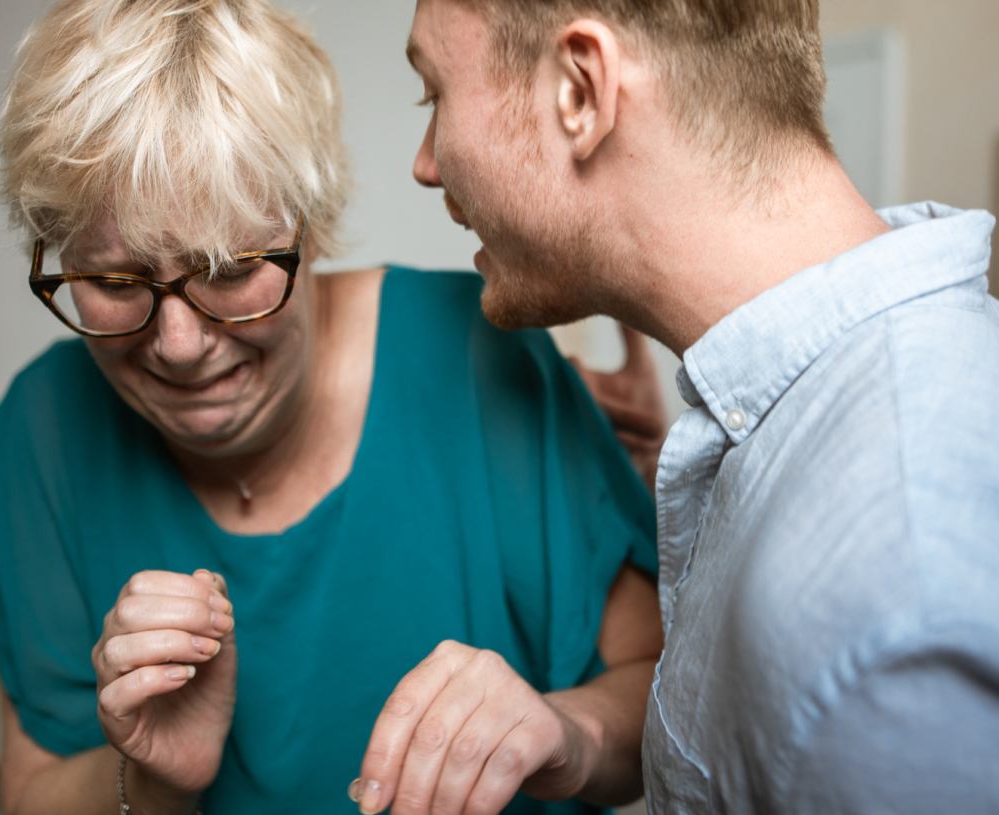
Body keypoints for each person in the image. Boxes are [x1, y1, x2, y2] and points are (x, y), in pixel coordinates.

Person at [0, 1, 669, 813]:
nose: (180, 344)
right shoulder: (46, 426)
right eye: (115, 282)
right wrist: (152, 782)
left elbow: (657, 693)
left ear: (312, 222)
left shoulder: (482, 352)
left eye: (230, 270)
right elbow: (33, 792)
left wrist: (566, 732)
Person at [362, 0, 999, 812]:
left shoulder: (895, 606)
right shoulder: (826, 430)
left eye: (436, 94)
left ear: (580, 90)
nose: (425, 163)